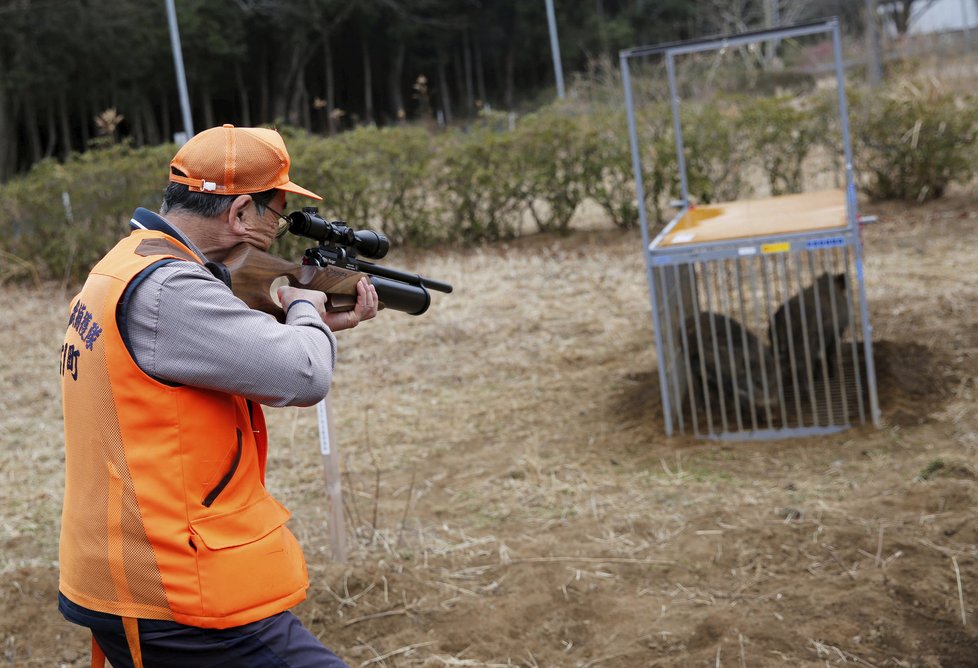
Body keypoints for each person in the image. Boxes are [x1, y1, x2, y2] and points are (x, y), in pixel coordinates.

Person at [57, 124, 377, 667]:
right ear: (240, 213)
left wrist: (302, 318)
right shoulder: (170, 291)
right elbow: (303, 374)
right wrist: (303, 307)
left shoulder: (129, 262)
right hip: (174, 590)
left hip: (135, 569)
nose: (276, 232)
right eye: (275, 216)